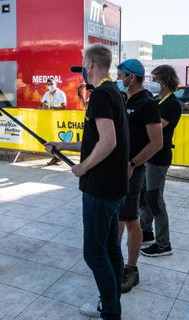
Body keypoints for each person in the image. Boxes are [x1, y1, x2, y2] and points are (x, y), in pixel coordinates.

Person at [45, 44, 129, 320]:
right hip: (114, 187)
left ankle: (110, 311)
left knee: (94, 254)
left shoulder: (101, 96)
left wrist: (83, 167)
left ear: (91, 63)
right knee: (111, 249)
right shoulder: (113, 92)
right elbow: (95, 141)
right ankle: (112, 302)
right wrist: (61, 145)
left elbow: (108, 142)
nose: (83, 67)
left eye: (83, 62)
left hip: (100, 188)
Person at [115, 59, 163, 293]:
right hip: (118, 169)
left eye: (120, 74)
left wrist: (133, 164)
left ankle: (131, 269)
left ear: (131, 78)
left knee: (131, 218)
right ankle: (116, 261)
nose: (118, 78)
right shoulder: (125, 99)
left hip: (133, 170)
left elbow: (157, 143)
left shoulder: (147, 103)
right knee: (119, 217)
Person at [139, 65, 182, 257]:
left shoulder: (172, 104)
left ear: (164, 80)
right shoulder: (157, 100)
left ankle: (164, 244)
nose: (151, 82)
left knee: (155, 200)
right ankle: (146, 232)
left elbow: (155, 128)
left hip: (158, 157)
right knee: (144, 197)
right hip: (148, 156)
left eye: (154, 79)